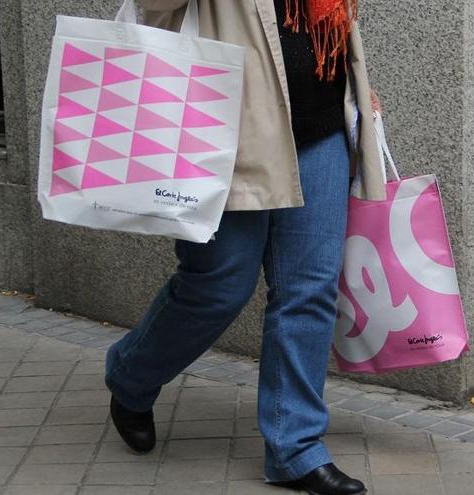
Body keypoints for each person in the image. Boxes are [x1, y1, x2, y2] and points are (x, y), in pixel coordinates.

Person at [103, 1, 385, 494]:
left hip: (321, 128)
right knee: (217, 286)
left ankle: (294, 448)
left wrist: (357, 86)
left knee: (310, 289)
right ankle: (131, 376)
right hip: (226, 131)